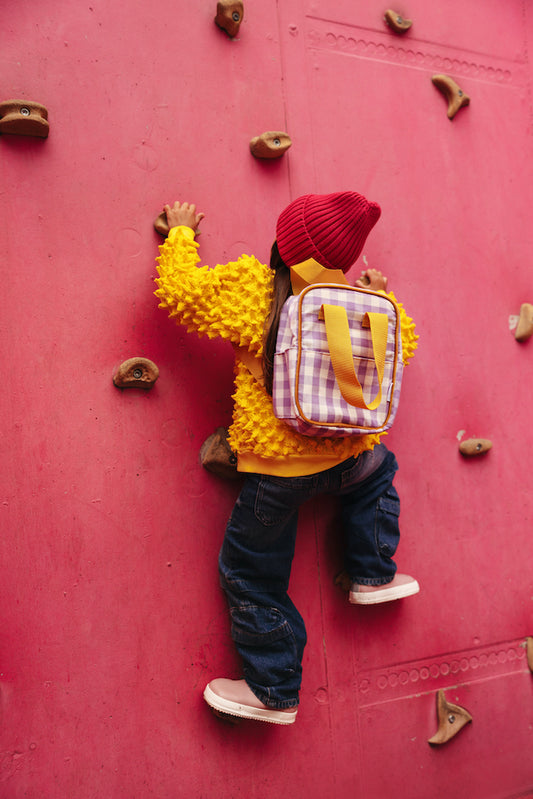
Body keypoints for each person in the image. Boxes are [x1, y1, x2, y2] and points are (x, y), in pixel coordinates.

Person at [155, 191, 419, 726]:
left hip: (275, 476)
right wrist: (382, 298)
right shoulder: (354, 301)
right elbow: (403, 346)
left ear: (283, 243)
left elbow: (180, 292)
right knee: (379, 472)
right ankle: (373, 572)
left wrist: (180, 235)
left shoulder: (252, 289)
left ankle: (273, 689)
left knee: (251, 575)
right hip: (346, 460)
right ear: (345, 261)